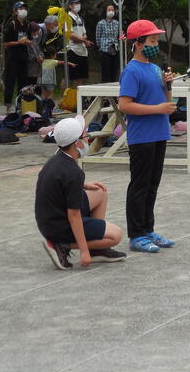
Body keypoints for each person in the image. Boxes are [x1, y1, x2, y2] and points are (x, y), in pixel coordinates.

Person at [36, 115, 125, 270]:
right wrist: (84, 250)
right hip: (58, 226)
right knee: (116, 235)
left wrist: (82, 185)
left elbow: (59, 184)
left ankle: (97, 249)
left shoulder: (56, 159)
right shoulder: (73, 171)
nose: (87, 139)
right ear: (77, 143)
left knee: (100, 192)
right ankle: (62, 245)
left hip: (48, 220)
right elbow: (74, 215)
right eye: (85, 136)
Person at [118, 19, 176, 254]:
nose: (155, 45)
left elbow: (166, 101)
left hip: (159, 133)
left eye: (156, 41)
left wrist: (168, 86)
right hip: (142, 136)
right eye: (151, 41)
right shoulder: (131, 71)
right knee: (140, 185)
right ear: (138, 43)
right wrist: (157, 109)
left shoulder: (155, 69)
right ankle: (136, 234)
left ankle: (148, 229)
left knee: (152, 184)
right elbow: (124, 105)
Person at [3, 1, 31, 111]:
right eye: (21, 8)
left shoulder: (27, 23)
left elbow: (29, 39)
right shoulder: (12, 24)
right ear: (15, 11)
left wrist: (27, 41)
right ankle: (8, 106)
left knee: (23, 83)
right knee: (10, 82)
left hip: (23, 57)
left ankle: (21, 105)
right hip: (12, 57)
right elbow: (6, 44)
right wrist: (18, 42)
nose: (23, 10)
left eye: (25, 8)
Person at [66, 0, 92, 86]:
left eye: (79, 3)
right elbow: (70, 35)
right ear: (70, 6)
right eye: (76, 3)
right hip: (73, 50)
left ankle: (79, 95)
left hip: (82, 51)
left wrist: (83, 40)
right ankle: (66, 94)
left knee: (81, 77)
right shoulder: (67, 18)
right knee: (71, 77)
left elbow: (84, 34)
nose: (78, 5)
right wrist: (83, 41)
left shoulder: (80, 18)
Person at [96, 4, 120, 82]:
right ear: (105, 11)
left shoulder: (117, 23)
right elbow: (98, 37)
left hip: (115, 49)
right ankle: (105, 88)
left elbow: (119, 35)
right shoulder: (101, 23)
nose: (111, 12)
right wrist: (101, 47)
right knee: (106, 72)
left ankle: (113, 87)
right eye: (109, 10)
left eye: (112, 10)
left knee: (115, 72)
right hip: (105, 50)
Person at [26, 20, 44, 86]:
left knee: (34, 87)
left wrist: (41, 56)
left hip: (36, 70)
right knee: (28, 87)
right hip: (29, 70)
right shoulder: (26, 41)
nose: (37, 33)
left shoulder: (34, 40)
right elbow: (27, 55)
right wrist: (37, 58)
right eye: (36, 31)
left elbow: (39, 51)